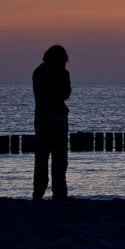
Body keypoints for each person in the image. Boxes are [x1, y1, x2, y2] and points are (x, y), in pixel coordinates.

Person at [33, 45, 71, 201]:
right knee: (51, 159)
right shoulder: (46, 73)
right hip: (50, 120)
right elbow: (63, 94)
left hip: (50, 119)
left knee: (52, 160)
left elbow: (65, 94)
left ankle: (50, 193)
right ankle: (47, 192)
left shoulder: (42, 72)